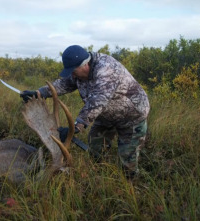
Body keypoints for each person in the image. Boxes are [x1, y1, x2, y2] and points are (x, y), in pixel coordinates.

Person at [20, 45, 150, 178]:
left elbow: (98, 101)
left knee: (128, 160)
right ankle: (100, 176)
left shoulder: (106, 69)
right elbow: (64, 84)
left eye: (73, 71)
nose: (72, 74)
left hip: (131, 117)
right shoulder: (77, 72)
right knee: (96, 149)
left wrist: (76, 126)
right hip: (105, 116)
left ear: (85, 64)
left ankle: (130, 186)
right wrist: (39, 93)